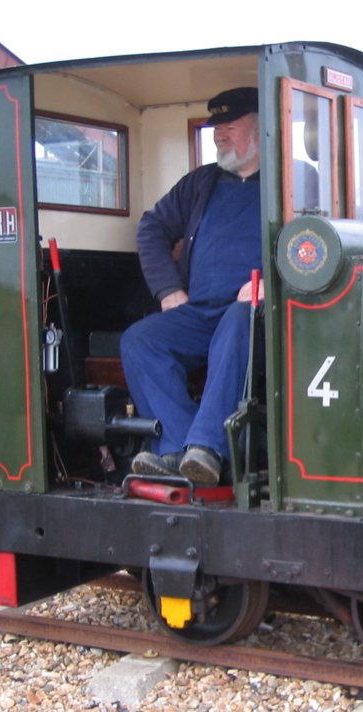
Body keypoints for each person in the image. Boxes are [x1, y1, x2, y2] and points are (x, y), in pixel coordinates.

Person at [120, 87, 263, 486]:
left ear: (260, 127)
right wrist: (168, 290)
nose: (219, 135)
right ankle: (182, 449)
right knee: (140, 340)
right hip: (200, 313)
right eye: (215, 127)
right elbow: (151, 228)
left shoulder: (294, 182)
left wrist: (273, 279)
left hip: (260, 316)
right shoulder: (201, 183)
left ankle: (208, 447)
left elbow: (311, 244)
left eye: (229, 127)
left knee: (239, 319)